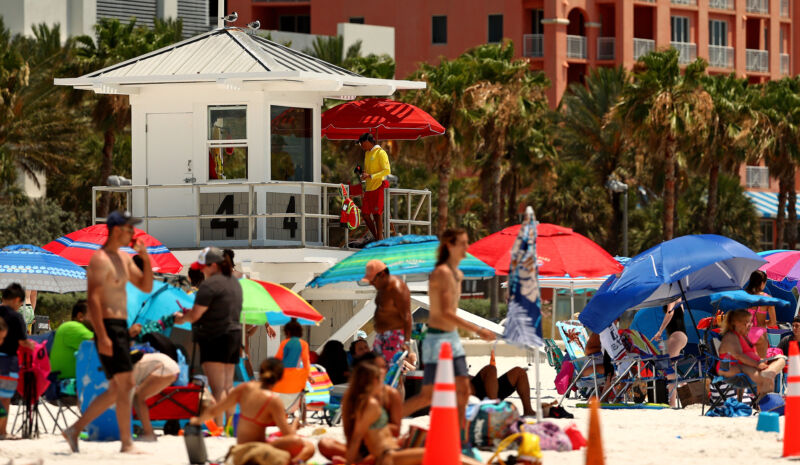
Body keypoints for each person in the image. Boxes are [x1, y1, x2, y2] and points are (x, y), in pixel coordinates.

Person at [64, 210, 154, 453]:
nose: (133, 233)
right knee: (126, 384)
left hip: (121, 328)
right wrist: (102, 335)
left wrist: (145, 257)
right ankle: (126, 443)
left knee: (119, 388)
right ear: (116, 230)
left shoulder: (124, 259)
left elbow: (146, 286)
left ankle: (74, 430)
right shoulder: (100, 259)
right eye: (129, 228)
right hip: (108, 327)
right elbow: (93, 299)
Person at [402, 228, 495, 443]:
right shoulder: (441, 273)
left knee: (464, 390)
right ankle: (389, 422)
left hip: (452, 338)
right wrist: (478, 329)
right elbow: (445, 312)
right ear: (449, 246)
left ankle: (461, 439)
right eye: (462, 243)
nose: (466, 247)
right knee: (427, 396)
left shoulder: (458, 274)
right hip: (437, 339)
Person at [342, 362, 482, 465]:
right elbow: (356, 437)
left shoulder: (370, 402)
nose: (383, 383)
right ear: (373, 380)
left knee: (442, 454)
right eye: (381, 378)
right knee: (440, 454)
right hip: (388, 456)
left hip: (393, 452)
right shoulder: (370, 405)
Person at [190, 358, 314, 463]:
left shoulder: (245, 388)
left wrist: (196, 421)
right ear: (280, 378)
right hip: (255, 449)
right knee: (306, 445)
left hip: (239, 450)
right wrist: (295, 422)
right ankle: (295, 462)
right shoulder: (273, 400)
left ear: (260, 372)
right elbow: (288, 434)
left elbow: (215, 410)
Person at [176, 246, 243, 428]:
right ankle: (230, 427)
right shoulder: (234, 283)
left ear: (213, 265)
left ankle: (220, 427)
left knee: (217, 388)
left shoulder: (210, 285)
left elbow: (195, 316)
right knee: (228, 386)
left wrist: (180, 318)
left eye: (203, 267)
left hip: (214, 337)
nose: (201, 270)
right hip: (234, 335)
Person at [318, 352, 402, 462]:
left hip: (381, 444)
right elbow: (349, 433)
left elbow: (396, 430)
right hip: (361, 449)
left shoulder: (391, 394)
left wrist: (370, 424)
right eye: (378, 367)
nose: (383, 371)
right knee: (325, 443)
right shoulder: (351, 397)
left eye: (384, 367)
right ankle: (362, 460)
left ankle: (363, 460)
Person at [717, 309, 785, 398]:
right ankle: (764, 395)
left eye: (750, 322)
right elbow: (739, 356)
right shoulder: (731, 337)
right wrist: (757, 364)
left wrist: (761, 361)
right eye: (746, 323)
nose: (749, 325)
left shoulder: (743, 337)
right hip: (737, 374)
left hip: (746, 369)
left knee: (781, 359)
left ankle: (767, 375)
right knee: (769, 375)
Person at [362, 260, 415, 368]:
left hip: (394, 336)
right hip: (381, 335)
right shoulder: (382, 288)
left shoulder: (397, 288)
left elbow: (407, 316)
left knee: (389, 370)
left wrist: (406, 343)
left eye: (372, 280)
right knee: (376, 368)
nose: (371, 283)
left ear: (382, 274)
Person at [0, 283, 36, 439]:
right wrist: (34, 345)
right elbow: (23, 342)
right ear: (16, 300)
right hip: (8, 361)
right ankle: (2, 431)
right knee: (4, 398)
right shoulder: (16, 317)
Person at [132, 352, 181, 442]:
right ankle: (148, 432)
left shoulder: (122, 368)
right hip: (170, 367)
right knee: (138, 397)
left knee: (138, 397)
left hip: (165, 367)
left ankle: (149, 433)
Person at [652, 301, 688, 408]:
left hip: (677, 336)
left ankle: (672, 402)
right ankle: (682, 383)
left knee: (668, 368)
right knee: (664, 365)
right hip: (679, 336)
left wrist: (660, 331)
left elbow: (670, 312)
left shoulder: (672, 298)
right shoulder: (679, 298)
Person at [358, 133, 391, 241]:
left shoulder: (381, 153)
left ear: (367, 141)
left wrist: (371, 176)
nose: (361, 145)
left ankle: (379, 239)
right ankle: (378, 238)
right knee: (365, 214)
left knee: (377, 214)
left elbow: (387, 170)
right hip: (369, 188)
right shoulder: (367, 154)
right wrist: (364, 175)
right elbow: (368, 172)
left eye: (361, 143)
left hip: (379, 186)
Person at [50, 300, 95, 380]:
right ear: (80, 316)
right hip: (67, 385)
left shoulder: (69, 327)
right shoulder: (73, 327)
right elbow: (104, 345)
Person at [469, 365, 535, 416]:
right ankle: (494, 410)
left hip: (487, 392)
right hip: (473, 395)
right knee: (490, 369)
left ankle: (528, 411)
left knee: (519, 372)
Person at [272, 319, 310, 403]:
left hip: (283, 375)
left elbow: (277, 359)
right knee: (295, 398)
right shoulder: (304, 344)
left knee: (282, 399)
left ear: (288, 332)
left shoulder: (285, 343)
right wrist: (308, 375)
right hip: (297, 377)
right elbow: (306, 362)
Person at [744, 270, 778, 358]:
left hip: (745, 334)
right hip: (760, 334)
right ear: (762, 283)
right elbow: (773, 322)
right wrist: (764, 322)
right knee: (761, 362)